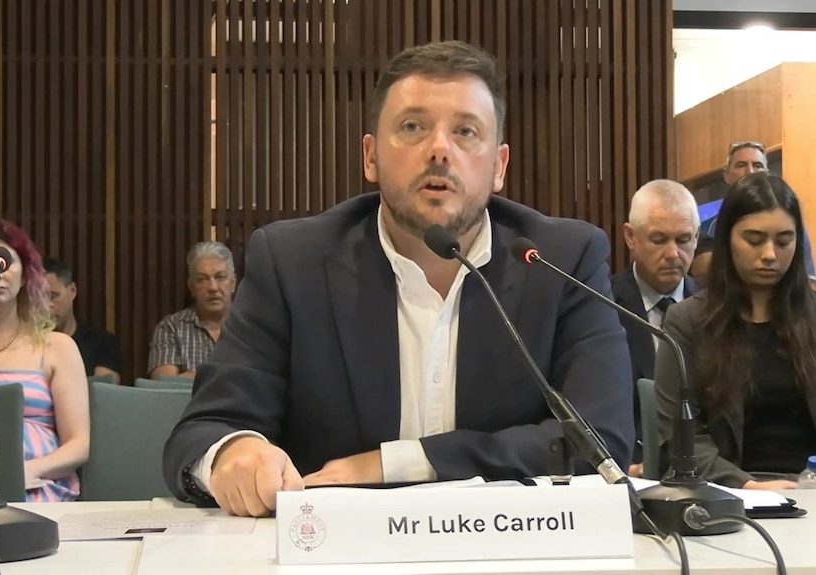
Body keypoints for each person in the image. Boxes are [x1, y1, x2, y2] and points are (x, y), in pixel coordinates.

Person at [163, 40, 634, 516]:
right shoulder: (292, 262)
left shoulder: (561, 260)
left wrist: (400, 463)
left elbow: (603, 439)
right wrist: (231, 453)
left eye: (466, 132)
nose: (439, 150)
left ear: (499, 166)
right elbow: (204, 429)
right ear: (370, 156)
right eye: (413, 127)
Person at [655, 173, 816, 490]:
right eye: (754, 241)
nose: (770, 254)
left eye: (784, 241)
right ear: (727, 240)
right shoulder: (687, 320)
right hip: (727, 494)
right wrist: (747, 485)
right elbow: (680, 439)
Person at [0, 220, 90, 501]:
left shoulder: (57, 347)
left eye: (5, 262)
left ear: (25, 275)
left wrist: (23, 472)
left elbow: (78, 444)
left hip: (38, 483)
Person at [611, 179, 700, 477]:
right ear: (630, 237)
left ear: (697, 238)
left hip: (704, 473)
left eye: (684, 239)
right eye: (659, 239)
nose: (674, 253)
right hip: (628, 472)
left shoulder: (716, 309)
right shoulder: (601, 303)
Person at [700, 141, 815, 277]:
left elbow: (806, 277)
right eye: (741, 165)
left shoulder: (792, 226)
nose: (750, 172)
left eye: (757, 165)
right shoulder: (705, 229)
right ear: (726, 174)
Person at [147, 241, 237, 379]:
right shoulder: (172, 327)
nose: (213, 287)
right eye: (202, 279)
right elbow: (165, 389)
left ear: (233, 283)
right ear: (191, 287)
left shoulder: (253, 327)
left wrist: (196, 378)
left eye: (220, 277)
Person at [44, 257, 122, 381]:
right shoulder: (25, 344)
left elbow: (104, 393)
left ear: (72, 290)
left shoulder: (102, 343)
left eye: (53, 296)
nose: (47, 305)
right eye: (39, 298)